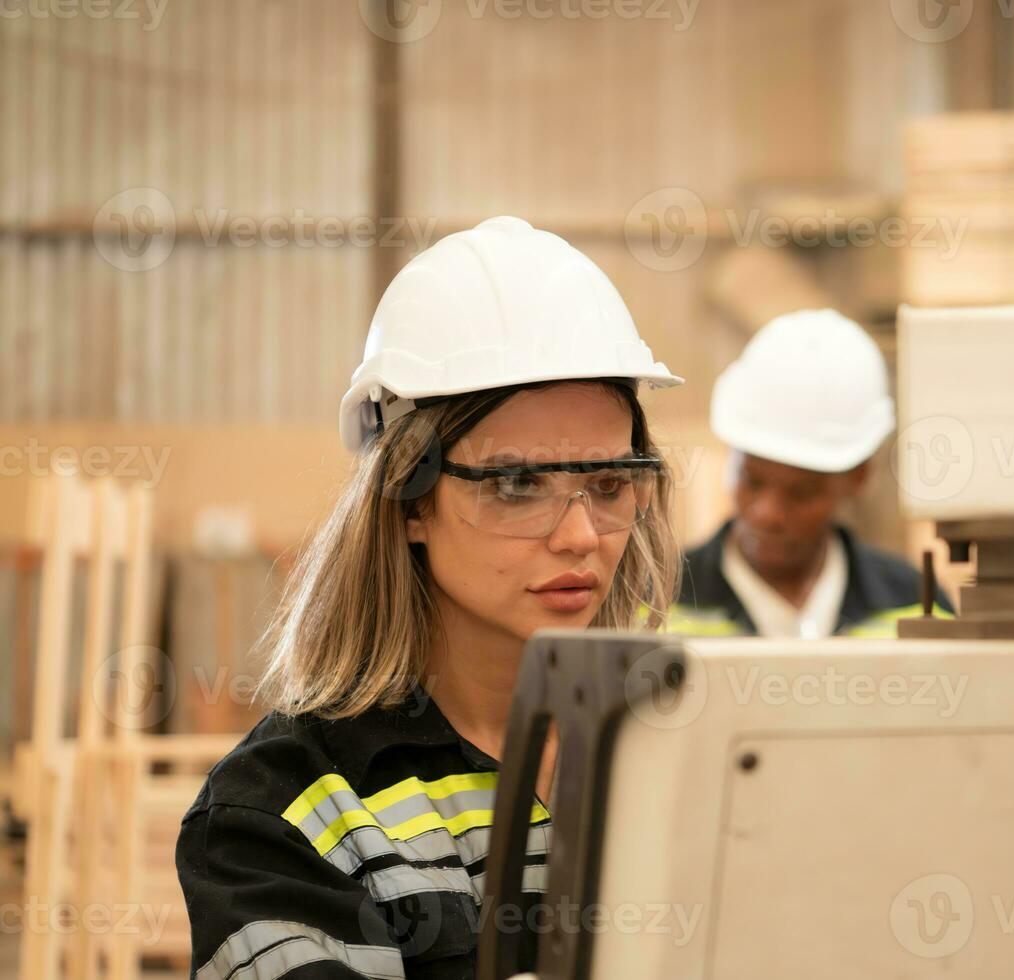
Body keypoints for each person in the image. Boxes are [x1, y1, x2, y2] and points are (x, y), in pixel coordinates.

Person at [174, 217, 683, 977]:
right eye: (518, 484)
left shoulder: (693, 754)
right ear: (410, 502)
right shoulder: (286, 813)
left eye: (607, 484)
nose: (581, 535)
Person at [670, 308, 952, 639]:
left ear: (857, 479)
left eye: (800, 493)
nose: (767, 513)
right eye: (752, 480)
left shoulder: (914, 604)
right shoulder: (658, 603)